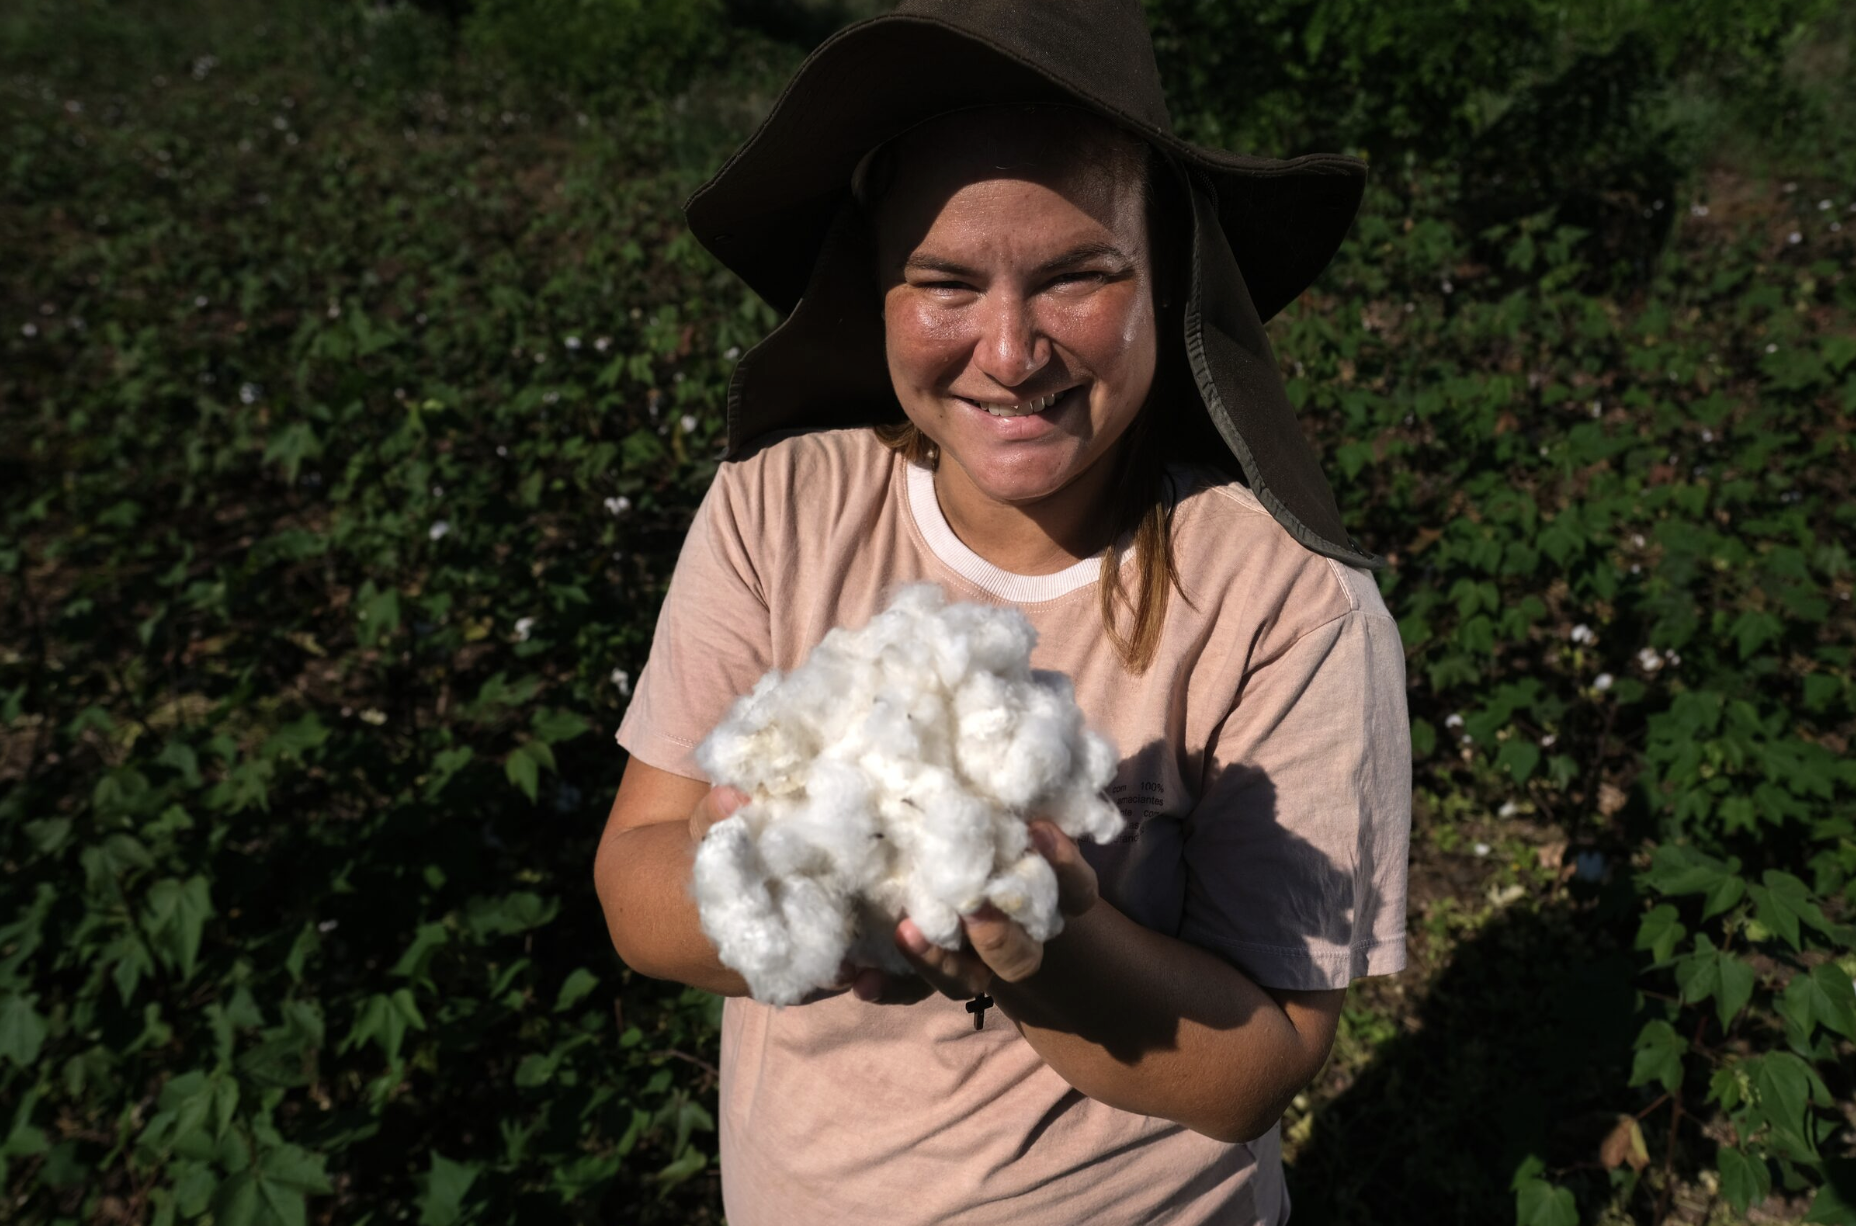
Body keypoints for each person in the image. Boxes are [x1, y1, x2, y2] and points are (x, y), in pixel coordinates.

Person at [593, 2, 1411, 1222]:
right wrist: (819, 882)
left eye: (1078, 275)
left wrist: (1047, 935)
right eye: (944, 283)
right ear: (875, 287)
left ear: (1168, 276)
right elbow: (633, 887)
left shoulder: (1283, 606)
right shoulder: (779, 507)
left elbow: (1263, 1065)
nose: (1010, 348)